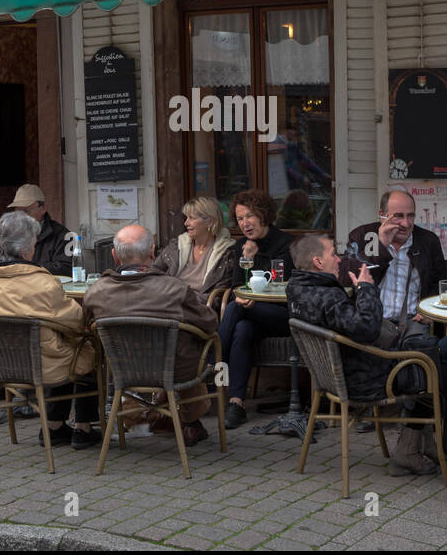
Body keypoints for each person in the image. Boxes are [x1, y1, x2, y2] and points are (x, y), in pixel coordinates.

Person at [287, 234, 444, 476]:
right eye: (332, 254)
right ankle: (410, 449)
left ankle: (428, 444)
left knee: (422, 351)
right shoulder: (328, 296)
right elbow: (367, 330)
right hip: (363, 381)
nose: (338, 259)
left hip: (332, 376)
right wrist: (367, 289)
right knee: (429, 363)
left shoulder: (297, 288)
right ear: (318, 262)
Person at [0, 210, 99, 450]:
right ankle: (82, 427)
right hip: (43, 364)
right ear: (25, 251)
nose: (35, 249)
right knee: (86, 347)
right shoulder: (41, 283)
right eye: (34, 244)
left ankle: (54, 427)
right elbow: (76, 323)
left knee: (58, 343)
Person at [85, 224, 221, 446]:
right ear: (152, 251)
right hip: (175, 369)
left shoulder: (96, 292)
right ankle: (189, 421)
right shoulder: (174, 289)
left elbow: (85, 326)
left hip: (121, 369)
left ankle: (153, 416)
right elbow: (209, 322)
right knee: (196, 344)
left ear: (114, 256)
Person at [217, 189, 294, 429]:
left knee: (235, 310)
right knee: (242, 328)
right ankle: (236, 403)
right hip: (251, 314)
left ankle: (213, 362)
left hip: (282, 314)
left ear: (264, 214)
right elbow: (238, 286)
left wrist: (252, 296)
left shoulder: (285, 244)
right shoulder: (241, 245)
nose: (245, 223)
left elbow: (283, 285)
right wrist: (245, 262)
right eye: (240, 218)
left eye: (249, 216)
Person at [345, 190, 447, 326]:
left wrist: (429, 311)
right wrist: (381, 246)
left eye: (410, 216)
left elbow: (440, 284)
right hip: (371, 323)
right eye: (398, 216)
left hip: (414, 323)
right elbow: (346, 277)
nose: (405, 224)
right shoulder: (362, 236)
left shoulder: (428, 241)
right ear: (382, 215)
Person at [150, 195, 235, 295]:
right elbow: (154, 272)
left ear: (209, 222)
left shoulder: (226, 253)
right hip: (169, 302)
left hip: (199, 307)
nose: (186, 223)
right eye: (186, 218)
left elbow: (217, 297)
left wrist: (185, 301)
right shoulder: (176, 246)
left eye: (192, 218)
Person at [4, 184, 72, 276]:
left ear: (43, 208)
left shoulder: (63, 235)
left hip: (46, 287)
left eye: (26, 211)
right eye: (18, 212)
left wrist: (28, 268)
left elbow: (66, 268)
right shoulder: (9, 234)